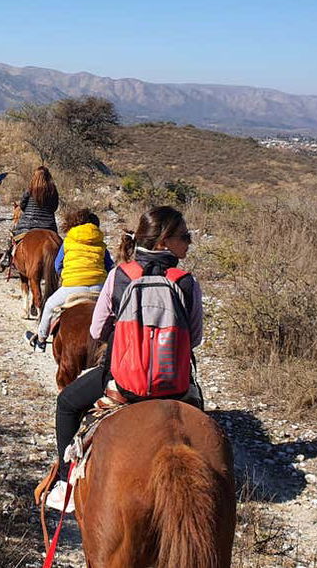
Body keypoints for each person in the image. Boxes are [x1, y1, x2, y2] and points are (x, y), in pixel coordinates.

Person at [44, 205, 204, 510]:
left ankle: (65, 480)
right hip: (176, 384)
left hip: (123, 381)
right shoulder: (186, 282)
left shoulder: (120, 275)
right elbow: (194, 338)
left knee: (66, 404)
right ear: (164, 242)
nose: (190, 241)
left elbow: (97, 329)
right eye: (185, 236)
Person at [25, 208, 113, 350]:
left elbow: (57, 264)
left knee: (49, 306)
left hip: (73, 286)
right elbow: (110, 267)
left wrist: (67, 275)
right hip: (99, 287)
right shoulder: (101, 244)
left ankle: (40, 340)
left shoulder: (68, 241)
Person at [3, 166, 59, 267]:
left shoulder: (30, 189)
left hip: (27, 226)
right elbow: (54, 207)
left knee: (12, 238)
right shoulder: (53, 191)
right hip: (49, 226)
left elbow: (22, 206)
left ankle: (7, 257)